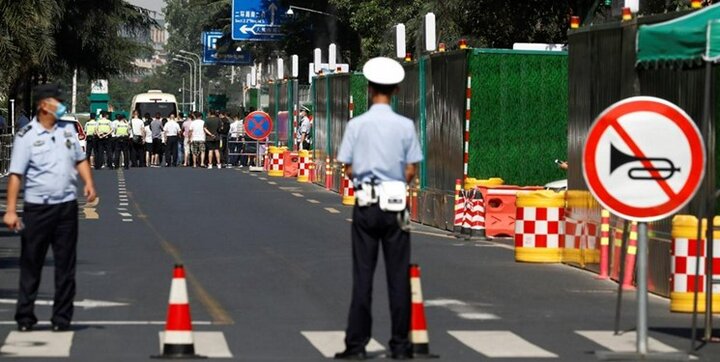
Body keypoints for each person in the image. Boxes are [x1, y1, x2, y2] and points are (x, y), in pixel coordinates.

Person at [334, 57, 423, 360]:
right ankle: (400, 345)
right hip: (397, 205)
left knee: (363, 277)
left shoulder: (357, 125)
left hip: (366, 204)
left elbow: (346, 167)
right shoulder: (405, 125)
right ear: (396, 90)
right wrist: (396, 179)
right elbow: (412, 169)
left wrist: (363, 175)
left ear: (369, 89)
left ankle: (356, 345)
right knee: (398, 278)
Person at [3, 84, 97, 332]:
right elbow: (15, 175)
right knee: (31, 262)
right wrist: (11, 210)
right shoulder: (27, 136)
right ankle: (25, 316)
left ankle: (62, 318)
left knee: (66, 264)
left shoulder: (67, 132)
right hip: (38, 209)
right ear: (44, 105)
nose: (61, 105)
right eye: (57, 101)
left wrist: (88, 183)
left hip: (66, 208)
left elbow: (80, 159)